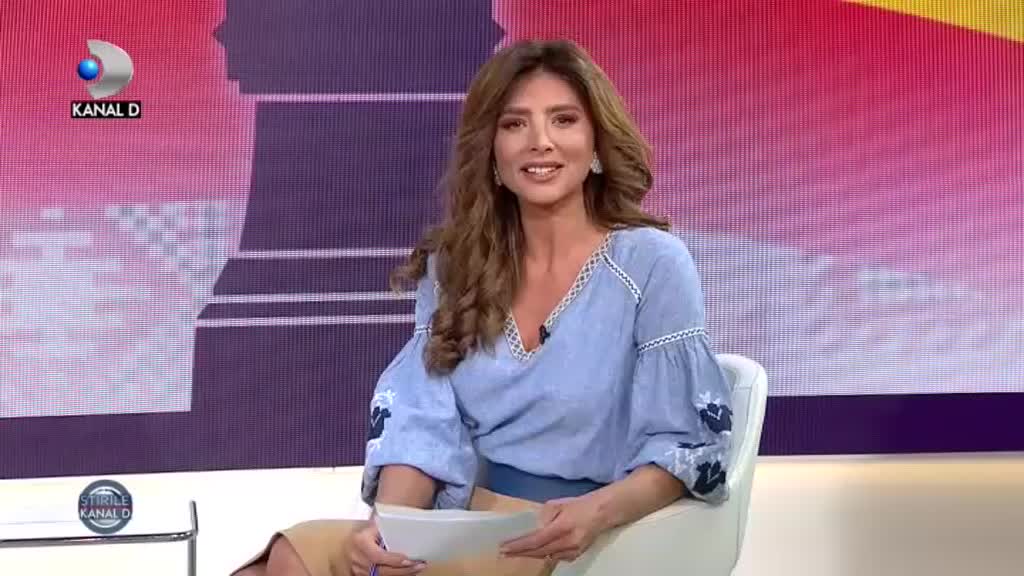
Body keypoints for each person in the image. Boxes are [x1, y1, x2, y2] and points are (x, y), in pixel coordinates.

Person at [233, 37, 734, 576]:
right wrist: (391, 526)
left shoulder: (651, 263)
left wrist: (596, 512)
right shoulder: (458, 265)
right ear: (492, 151)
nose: (540, 142)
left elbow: (684, 442)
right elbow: (421, 417)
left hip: (584, 530)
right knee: (287, 558)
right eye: (515, 124)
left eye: (563, 120)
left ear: (596, 144)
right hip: (469, 517)